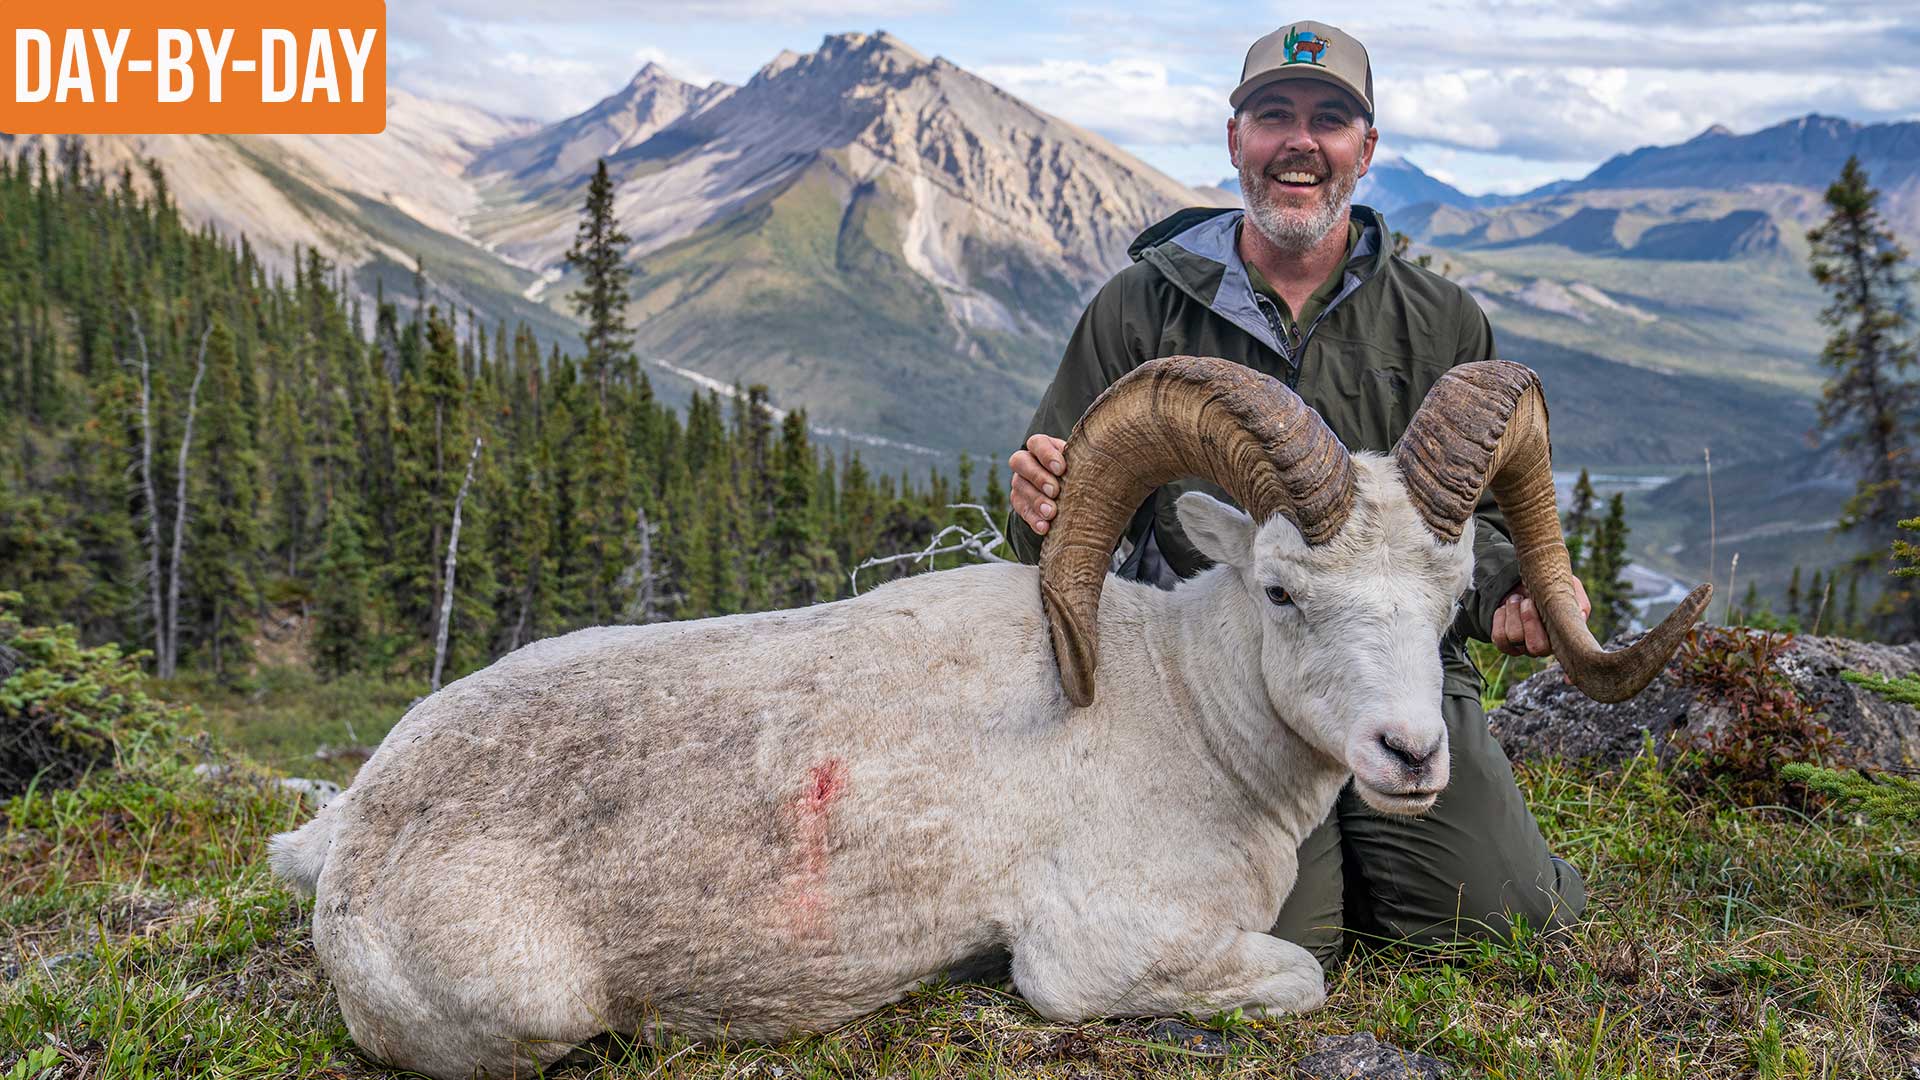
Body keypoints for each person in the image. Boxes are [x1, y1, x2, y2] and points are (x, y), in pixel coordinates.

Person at [1004, 20, 1590, 969]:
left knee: (1506, 915)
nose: (1299, 142)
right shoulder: (1139, 309)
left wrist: (1521, 593)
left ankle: (1382, 845)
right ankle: (1343, 858)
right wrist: (1042, 508)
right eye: (1273, 115)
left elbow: (1480, 528)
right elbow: (1060, 530)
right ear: (1235, 139)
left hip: (1398, 655)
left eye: (1329, 120)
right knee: (1267, 935)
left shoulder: (1440, 321)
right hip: (1214, 669)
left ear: (1366, 148)